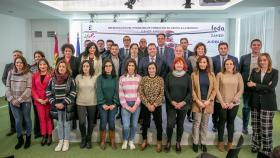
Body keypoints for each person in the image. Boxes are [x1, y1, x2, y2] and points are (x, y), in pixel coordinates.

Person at [247, 53, 278, 157]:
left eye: (264, 60)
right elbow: (249, 85)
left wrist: (256, 84)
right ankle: (255, 145)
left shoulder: (274, 72)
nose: (262, 62)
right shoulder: (254, 71)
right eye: (260, 60)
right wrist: (264, 86)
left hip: (268, 104)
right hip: (255, 102)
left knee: (266, 127)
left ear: (268, 61)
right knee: (255, 127)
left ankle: (267, 148)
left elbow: (271, 87)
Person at [46, 60, 77, 152]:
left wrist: (63, 103)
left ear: (67, 68)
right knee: (59, 124)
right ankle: (61, 141)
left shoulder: (71, 80)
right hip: (56, 106)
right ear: (57, 68)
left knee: (66, 124)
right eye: (60, 67)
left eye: (63, 66)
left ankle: (66, 141)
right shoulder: (52, 79)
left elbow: (73, 92)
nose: (61, 68)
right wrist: (55, 103)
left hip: (66, 106)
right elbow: (48, 92)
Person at [164, 57, 192, 153]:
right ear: (174, 65)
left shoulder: (187, 77)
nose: (179, 65)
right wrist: (172, 101)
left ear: (184, 65)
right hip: (171, 104)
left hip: (183, 105)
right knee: (170, 124)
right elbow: (166, 90)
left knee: (180, 124)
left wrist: (183, 102)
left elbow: (190, 92)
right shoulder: (169, 76)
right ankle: (168, 141)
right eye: (177, 63)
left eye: (181, 63)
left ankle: (178, 142)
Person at [216, 58, 244, 152]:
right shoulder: (219, 75)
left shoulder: (238, 75)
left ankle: (230, 142)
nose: (229, 65)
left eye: (231, 64)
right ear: (224, 65)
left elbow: (241, 89)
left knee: (231, 122)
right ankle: (220, 142)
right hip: (221, 103)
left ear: (234, 65)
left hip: (234, 104)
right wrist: (222, 102)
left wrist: (233, 102)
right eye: (227, 64)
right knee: (222, 121)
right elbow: (216, 89)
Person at [6, 56, 32, 149]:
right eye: (17, 62)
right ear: (15, 63)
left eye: (21, 62)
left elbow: (29, 89)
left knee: (27, 119)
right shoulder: (10, 73)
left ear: (24, 63)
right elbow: (7, 87)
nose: (19, 64)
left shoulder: (28, 74)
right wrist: (12, 100)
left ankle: (28, 138)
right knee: (17, 121)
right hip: (13, 101)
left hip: (25, 101)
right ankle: (20, 139)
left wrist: (19, 100)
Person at [191, 56, 217, 153]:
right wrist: (197, 100)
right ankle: (195, 142)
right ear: (198, 63)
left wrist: (208, 101)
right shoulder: (194, 74)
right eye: (201, 62)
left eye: (204, 62)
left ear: (207, 64)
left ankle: (203, 142)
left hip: (208, 103)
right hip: (197, 102)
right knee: (196, 123)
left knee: (205, 124)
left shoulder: (212, 74)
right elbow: (192, 89)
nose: (202, 64)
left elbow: (215, 89)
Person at [212, 42, 239, 132]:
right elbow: (212, 73)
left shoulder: (234, 59)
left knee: (230, 113)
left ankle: (229, 125)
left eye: (225, 48)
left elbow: (236, 73)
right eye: (221, 48)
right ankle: (215, 124)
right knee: (216, 108)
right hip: (217, 87)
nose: (223, 50)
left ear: (227, 49)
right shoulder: (213, 59)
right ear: (218, 49)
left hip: (230, 88)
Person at [139, 62, 164, 152]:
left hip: (157, 105)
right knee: (145, 124)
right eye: (149, 68)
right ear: (147, 70)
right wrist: (148, 104)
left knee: (159, 124)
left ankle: (159, 141)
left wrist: (154, 105)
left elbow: (161, 94)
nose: (151, 70)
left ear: (156, 69)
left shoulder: (160, 79)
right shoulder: (144, 79)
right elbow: (141, 93)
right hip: (146, 105)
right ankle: (144, 140)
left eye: (153, 68)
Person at [240, 39, 262, 134]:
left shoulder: (264, 57)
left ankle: (257, 127)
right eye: (254, 45)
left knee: (258, 107)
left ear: (260, 46)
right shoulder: (244, 58)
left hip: (259, 87)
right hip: (246, 86)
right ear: (250, 46)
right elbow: (239, 72)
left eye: (258, 45)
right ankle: (245, 126)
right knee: (246, 107)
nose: (256, 46)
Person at [96, 59, 119, 150]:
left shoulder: (116, 77)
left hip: (113, 105)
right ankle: (102, 141)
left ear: (112, 67)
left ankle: (112, 140)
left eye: (110, 66)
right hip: (103, 105)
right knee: (103, 123)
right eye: (106, 66)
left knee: (112, 123)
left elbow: (117, 91)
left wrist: (114, 103)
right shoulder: (100, 78)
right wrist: (103, 104)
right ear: (104, 67)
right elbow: (99, 92)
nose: (108, 67)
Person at [119, 59, 141, 150]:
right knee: (126, 125)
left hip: (136, 104)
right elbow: (121, 94)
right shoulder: (122, 78)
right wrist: (127, 107)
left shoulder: (139, 78)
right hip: (125, 104)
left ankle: (131, 140)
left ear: (135, 67)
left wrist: (135, 106)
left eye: (132, 65)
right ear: (126, 67)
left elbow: (140, 93)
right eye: (129, 65)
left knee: (134, 125)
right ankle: (125, 140)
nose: (131, 67)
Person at [75, 60, 98, 149]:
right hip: (80, 102)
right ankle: (83, 138)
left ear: (90, 67)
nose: (85, 68)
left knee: (91, 122)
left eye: (87, 66)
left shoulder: (95, 77)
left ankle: (89, 139)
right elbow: (76, 90)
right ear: (82, 67)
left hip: (92, 102)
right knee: (82, 122)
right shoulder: (78, 77)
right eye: (84, 66)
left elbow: (97, 90)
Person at [57, 43, 80, 130]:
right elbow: (57, 71)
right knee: (63, 103)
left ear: (72, 52)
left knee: (71, 104)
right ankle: (62, 123)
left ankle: (73, 123)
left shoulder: (76, 59)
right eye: (66, 51)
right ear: (63, 51)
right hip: (62, 84)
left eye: (69, 51)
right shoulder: (59, 59)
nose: (67, 52)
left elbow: (78, 72)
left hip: (72, 84)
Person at [32, 58, 53, 146]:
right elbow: (33, 89)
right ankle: (44, 135)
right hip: (39, 101)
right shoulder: (35, 75)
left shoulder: (51, 75)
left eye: (44, 64)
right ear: (38, 66)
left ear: (47, 65)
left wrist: (47, 99)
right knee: (41, 119)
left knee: (48, 118)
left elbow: (53, 88)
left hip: (48, 100)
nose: (42, 66)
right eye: (40, 65)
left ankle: (49, 135)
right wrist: (38, 99)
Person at [2, 50, 24, 136]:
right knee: (11, 113)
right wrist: (10, 87)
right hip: (10, 94)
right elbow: (4, 78)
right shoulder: (8, 66)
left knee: (23, 112)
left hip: (22, 95)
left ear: (22, 56)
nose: (16, 56)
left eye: (18, 55)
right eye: (14, 55)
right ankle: (13, 128)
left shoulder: (26, 66)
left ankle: (24, 128)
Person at [30, 51, 46, 139]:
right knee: (38, 114)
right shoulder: (31, 68)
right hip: (36, 96)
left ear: (43, 57)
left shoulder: (49, 68)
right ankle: (38, 131)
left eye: (39, 56)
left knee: (47, 116)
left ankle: (48, 132)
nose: (37, 58)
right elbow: (31, 84)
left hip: (46, 97)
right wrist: (37, 98)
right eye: (36, 56)